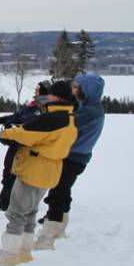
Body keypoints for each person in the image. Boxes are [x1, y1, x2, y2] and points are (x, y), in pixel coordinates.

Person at [0, 81, 77, 266]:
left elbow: (24, 133)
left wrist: (2, 135)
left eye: (50, 94)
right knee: (31, 210)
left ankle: (9, 254)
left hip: (33, 170)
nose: (47, 96)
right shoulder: (69, 117)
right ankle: (24, 250)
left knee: (16, 212)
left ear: (56, 97)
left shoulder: (52, 119)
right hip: (49, 171)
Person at [35, 73, 105, 249]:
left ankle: (49, 235)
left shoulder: (88, 112)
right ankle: (60, 227)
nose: (73, 90)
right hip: (77, 157)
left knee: (57, 194)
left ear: (85, 90)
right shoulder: (89, 107)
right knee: (63, 191)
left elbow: (64, 125)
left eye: (76, 87)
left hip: (72, 158)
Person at [0, 81, 51, 212]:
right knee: (7, 170)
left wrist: (12, 124)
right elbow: (18, 115)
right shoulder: (33, 105)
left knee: (14, 173)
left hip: (26, 146)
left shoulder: (44, 108)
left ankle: (9, 202)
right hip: (15, 142)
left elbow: (28, 122)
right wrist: (4, 119)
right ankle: (4, 200)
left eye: (38, 89)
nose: (35, 91)